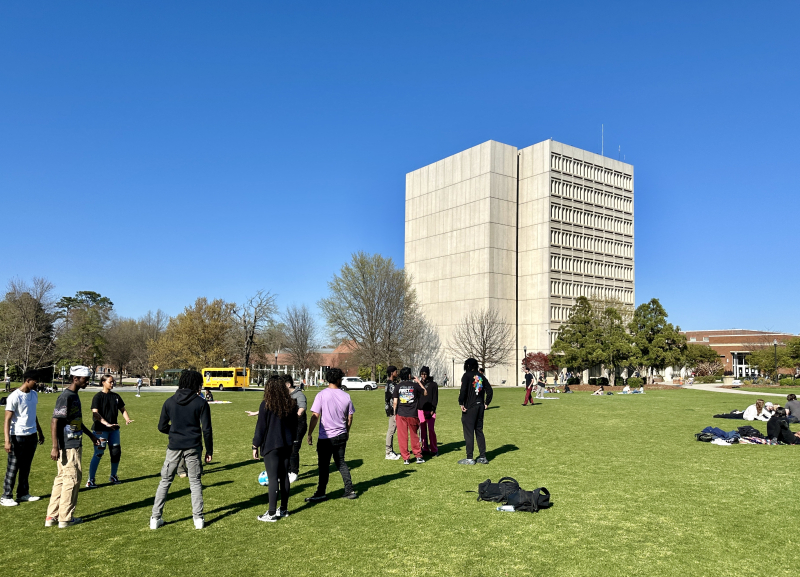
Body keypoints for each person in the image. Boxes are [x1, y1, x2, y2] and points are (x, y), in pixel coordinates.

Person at [150, 370, 213, 530]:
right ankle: (198, 519)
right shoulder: (201, 403)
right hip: (193, 445)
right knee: (195, 481)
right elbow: (207, 430)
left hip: (174, 446)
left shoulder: (169, 402)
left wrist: (175, 431)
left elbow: (161, 427)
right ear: (195, 384)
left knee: (165, 481)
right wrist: (209, 450)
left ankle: (155, 518)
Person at [45, 366, 102, 528]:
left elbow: (75, 420)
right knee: (72, 479)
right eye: (85, 379)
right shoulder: (66, 396)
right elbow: (55, 420)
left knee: (62, 479)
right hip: (68, 445)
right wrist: (55, 446)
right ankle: (65, 518)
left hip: (73, 441)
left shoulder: (73, 395)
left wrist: (90, 435)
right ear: (75, 379)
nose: (88, 381)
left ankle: (52, 516)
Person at [305, 368, 357, 502]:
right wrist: (347, 431)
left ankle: (321, 492)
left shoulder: (321, 395)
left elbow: (315, 416)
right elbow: (350, 417)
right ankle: (349, 490)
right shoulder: (346, 396)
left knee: (323, 466)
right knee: (341, 463)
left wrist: (309, 433)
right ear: (339, 379)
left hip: (325, 437)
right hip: (341, 435)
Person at [252, 375, 297, 522]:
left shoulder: (266, 404)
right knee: (284, 476)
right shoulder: (290, 404)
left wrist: (255, 445)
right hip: (287, 444)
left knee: (272, 478)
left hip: (272, 444)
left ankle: (271, 513)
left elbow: (261, 428)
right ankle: (283, 509)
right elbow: (294, 425)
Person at [2, 370, 45, 507]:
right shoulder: (14, 396)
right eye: (35, 381)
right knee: (13, 467)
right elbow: (7, 420)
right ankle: (6, 496)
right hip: (17, 435)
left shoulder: (34, 395)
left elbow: (33, 414)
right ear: (27, 380)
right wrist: (7, 440)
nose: (37, 383)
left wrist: (39, 431)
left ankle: (23, 493)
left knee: (26, 467)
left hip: (31, 435)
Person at [86, 375, 133, 488]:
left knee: (116, 453)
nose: (112, 384)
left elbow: (122, 409)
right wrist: (106, 423)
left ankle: (113, 476)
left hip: (114, 430)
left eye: (113, 382)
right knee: (99, 453)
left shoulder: (116, 396)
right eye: (110, 382)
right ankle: (90, 480)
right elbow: (95, 413)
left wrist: (127, 419)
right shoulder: (97, 397)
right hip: (100, 430)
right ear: (103, 382)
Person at [458, 358, 493, 465]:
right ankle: (482, 456)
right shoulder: (480, 376)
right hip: (480, 406)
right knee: (479, 431)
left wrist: (461, 403)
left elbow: (463, 391)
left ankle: (469, 458)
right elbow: (490, 390)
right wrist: (486, 403)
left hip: (470, 407)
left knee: (468, 432)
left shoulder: (466, 376)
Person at [392, 367, 427, 465]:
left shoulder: (398, 386)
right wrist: (418, 382)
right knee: (414, 435)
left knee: (402, 436)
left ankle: (406, 458)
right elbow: (425, 392)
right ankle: (418, 456)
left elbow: (395, 402)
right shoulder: (415, 385)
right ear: (409, 375)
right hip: (412, 414)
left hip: (401, 414)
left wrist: (395, 414)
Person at [285, 374, 306, 484]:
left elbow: (302, 406)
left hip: (299, 426)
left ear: (288, 385)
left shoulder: (299, 395)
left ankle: (294, 473)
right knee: (287, 448)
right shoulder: (284, 395)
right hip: (288, 426)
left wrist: (298, 413)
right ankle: (288, 471)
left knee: (294, 449)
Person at [418, 366, 438, 456]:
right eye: (422, 374)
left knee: (431, 429)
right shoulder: (419, 384)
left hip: (430, 410)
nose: (423, 376)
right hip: (421, 410)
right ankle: (425, 448)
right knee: (422, 430)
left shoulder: (433, 384)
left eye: (425, 374)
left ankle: (434, 449)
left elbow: (435, 398)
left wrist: (433, 410)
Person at [384, 366, 400, 460]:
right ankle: (388, 452)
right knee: (391, 430)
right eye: (395, 371)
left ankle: (390, 450)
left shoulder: (389, 383)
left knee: (392, 430)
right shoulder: (392, 385)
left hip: (390, 409)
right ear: (391, 373)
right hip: (392, 410)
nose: (397, 373)